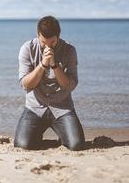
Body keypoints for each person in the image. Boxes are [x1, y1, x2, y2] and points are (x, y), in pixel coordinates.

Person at [13, 15, 85, 151]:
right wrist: (42, 65)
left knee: (76, 145)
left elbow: (70, 86)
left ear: (58, 36)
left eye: (51, 43)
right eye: (43, 42)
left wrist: (55, 66)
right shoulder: (27, 48)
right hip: (35, 107)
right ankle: (37, 135)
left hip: (62, 107)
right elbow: (26, 84)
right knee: (22, 145)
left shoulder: (69, 50)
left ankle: (63, 136)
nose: (47, 47)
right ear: (38, 35)